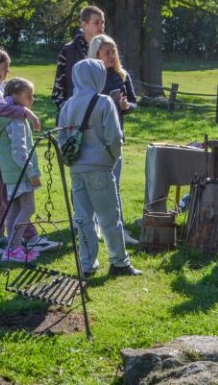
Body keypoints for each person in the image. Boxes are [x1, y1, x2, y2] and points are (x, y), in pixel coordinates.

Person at [0, 46, 59, 257]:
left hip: (1, 151)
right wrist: (23, 111)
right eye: (5, 67)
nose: (8, 72)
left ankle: (18, 237)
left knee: (9, 198)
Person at [58, 59, 142, 277]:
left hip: (77, 168)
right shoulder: (103, 102)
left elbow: (62, 137)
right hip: (100, 166)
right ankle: (119, 261)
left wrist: (71, 161)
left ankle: (86, 262)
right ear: (98, 77)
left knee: (83, 218)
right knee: (109, 217)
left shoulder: (68, 105)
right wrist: (112, 159)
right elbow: (115, 137)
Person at [88, 34, 139, 245]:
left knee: (114, 184)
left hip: (116, 135)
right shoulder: (90, 75)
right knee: (92, 183)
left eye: (113, 52)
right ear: (96, 53)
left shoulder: (122, 75)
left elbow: (135, 103)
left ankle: (118, 229)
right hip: (95, 137)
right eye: (106, 52)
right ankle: (92, 226)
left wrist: (127, 106)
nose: (111, 56)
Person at [0, 78, 42, 263]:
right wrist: (31, 173)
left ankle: (11, 249)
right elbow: (19, 151)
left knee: (14, 208)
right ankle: (14, 247)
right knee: (28, 207)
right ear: (14, 97)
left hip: (11, 173)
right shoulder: (16, 120)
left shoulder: (6, 116)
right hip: (20, 172)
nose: (32, 99)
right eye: (29, 96)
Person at [51, 5, 106, 113]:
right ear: (84, 25)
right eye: (96, 22)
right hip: (73, 114)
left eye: (103, 22)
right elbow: (59, 88)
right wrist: (67, 111)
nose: (101, 26)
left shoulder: (108, 49)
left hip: (102, 113)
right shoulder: (69, 50)